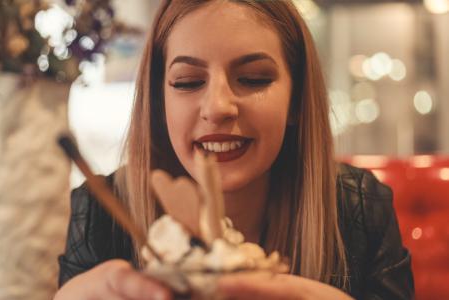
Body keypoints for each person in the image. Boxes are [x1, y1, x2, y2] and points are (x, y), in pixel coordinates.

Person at [55, 1, 414, 299]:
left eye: (254, 78)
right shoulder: (101, 212)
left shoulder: (359, 207)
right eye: (188, 82)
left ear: (297, 100)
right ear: (159, 103)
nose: (218, 107)